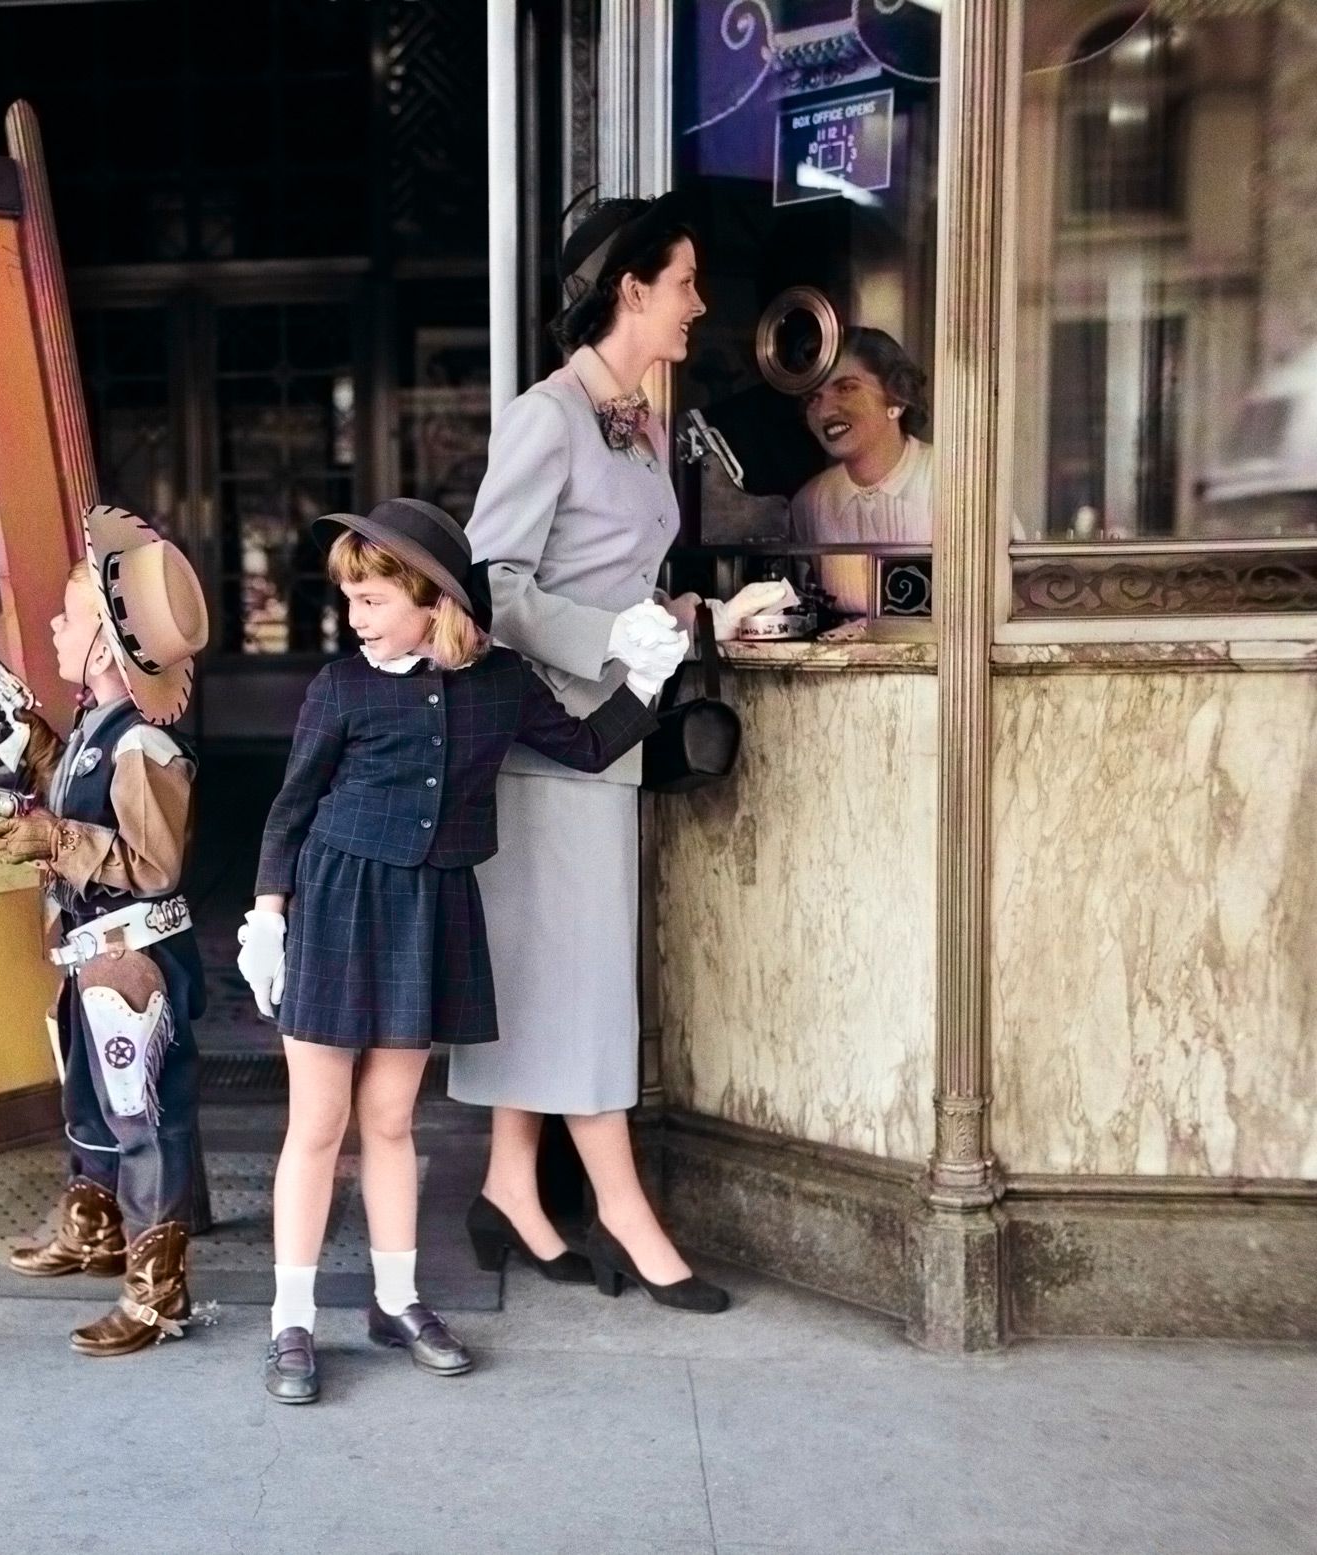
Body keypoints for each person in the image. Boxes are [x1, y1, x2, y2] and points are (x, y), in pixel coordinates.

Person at [235, 497, 688, 1405]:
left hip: (429, 906)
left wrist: (647, 681)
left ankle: (396, 1301)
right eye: (351, 599)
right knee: (319, 1123)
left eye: (370, 599)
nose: (353, 616)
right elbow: (291, 809)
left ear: (433, 598)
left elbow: (590, 747)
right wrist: (268, 917)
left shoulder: (501, 682)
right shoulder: (340, 688)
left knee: (393, 1119)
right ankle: (291, 1319)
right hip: (333, 904)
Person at [450, 196, 788, 1313]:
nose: (698, 303)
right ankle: (628, 1214)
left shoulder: (640, 422)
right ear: (630, 291)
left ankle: (509, 1185)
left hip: (608, 736)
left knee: (559, 975)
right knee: (588, 983)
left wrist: (695, 615)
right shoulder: (545, 416)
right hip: (547, 741)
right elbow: (489, 590)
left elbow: (616, 576)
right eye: (683, 281)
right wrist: (616, 638)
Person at [0, 505, 213, 1359]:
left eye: (68, 616)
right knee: (92, 1099)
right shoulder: (97, 728)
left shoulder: (146, 748)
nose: (53, 624)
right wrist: (42, 749)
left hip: (133, 962)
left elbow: (153, 863)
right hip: (93, 961)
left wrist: (53, 838)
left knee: (145, 1118)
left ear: (101, 648)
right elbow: (85, 791)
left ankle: (157, 1293)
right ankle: (94, 1228)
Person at [789, 327, 934, 547]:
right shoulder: (810, 504)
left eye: (846, 388)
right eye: (813, 398)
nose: (824, 412)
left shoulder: (947, 478)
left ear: (897, 396)